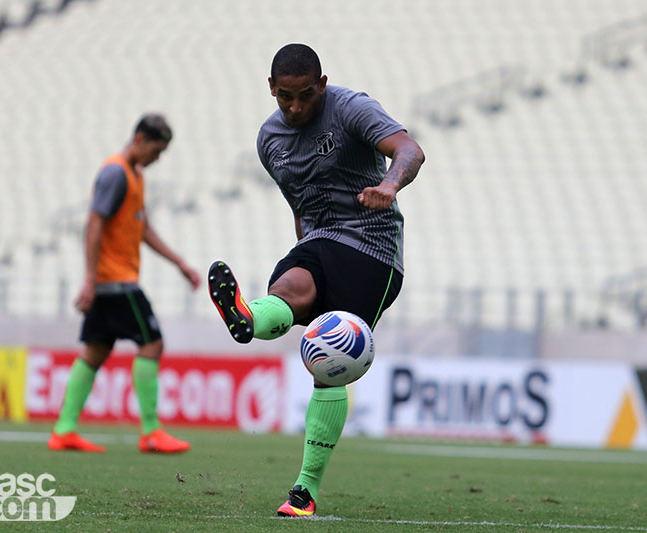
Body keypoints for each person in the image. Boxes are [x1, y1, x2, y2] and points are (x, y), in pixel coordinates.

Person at [208, 44, 424, 516]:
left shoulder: (350, 108)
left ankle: (305, 491)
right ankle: (248, 317)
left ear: (321, 85)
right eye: (285, 97)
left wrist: (389, 186)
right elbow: (299, 206)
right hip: (321, 241)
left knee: (329, 366)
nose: (296, 106)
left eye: (305, 95)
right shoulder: (270, 140)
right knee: (288, 288)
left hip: (373, 248)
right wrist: (302, 255)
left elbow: (410, 149)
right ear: (271, 90)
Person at [48, 113, 201, 454]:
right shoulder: (116, 173)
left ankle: (63, 430)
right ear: (141, 139)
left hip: (111, 282)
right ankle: (150, 431)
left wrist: (180, 264)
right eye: (156, 151)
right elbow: (92, 225)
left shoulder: (134, 175)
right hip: (117, 282)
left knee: (96, 350)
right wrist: (89, 279)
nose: (156, 159)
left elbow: (142, 228)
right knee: (153, 343)